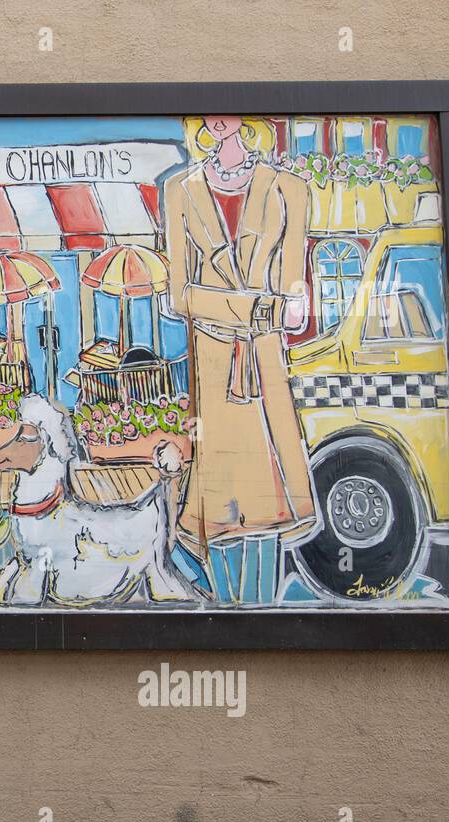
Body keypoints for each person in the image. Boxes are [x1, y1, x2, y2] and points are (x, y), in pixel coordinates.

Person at [163, 116, 316, 605]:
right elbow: (179, 296)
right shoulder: (180, 189)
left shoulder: (289, 187)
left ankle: (261, 616)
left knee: (269, 497)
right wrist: (258, 307)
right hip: (213, 356)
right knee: (221, 499)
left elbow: (293, 296)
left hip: (263, 357)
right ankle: (229, 612)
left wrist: (284, 306)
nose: (219, 118)